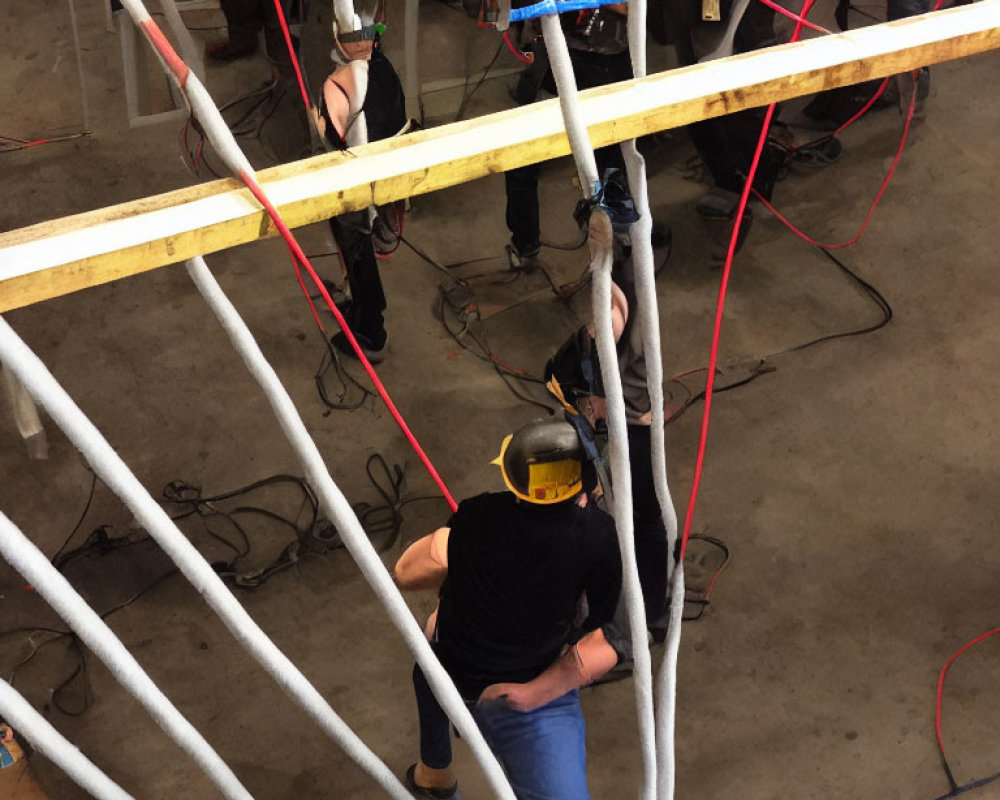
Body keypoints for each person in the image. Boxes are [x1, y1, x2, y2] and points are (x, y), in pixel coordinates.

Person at [395, 420, 622, 800]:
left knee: (430, 666)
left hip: (453, 667)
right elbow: (607, 630)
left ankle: (434, 775)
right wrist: (539, 691)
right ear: (582, 483)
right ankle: (433, 775)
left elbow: (405, 574)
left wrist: (447, 546)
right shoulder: (596, 535)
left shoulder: (476, 514)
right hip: (530, 688)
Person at [504, 4, 633, 270]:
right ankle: (525, 245)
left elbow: (628, 7)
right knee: (522, 155)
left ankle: (619, 238)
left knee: (608, 159)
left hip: (605, 63)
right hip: (553, 56)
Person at [311, 4, 405, 362]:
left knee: (357, 248)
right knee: (358, 248)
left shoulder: (339, 83)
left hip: (355, 186)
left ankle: (370, 331)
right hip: (387, 180)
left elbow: (332, 138)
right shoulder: (385, 70)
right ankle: (361, 310)